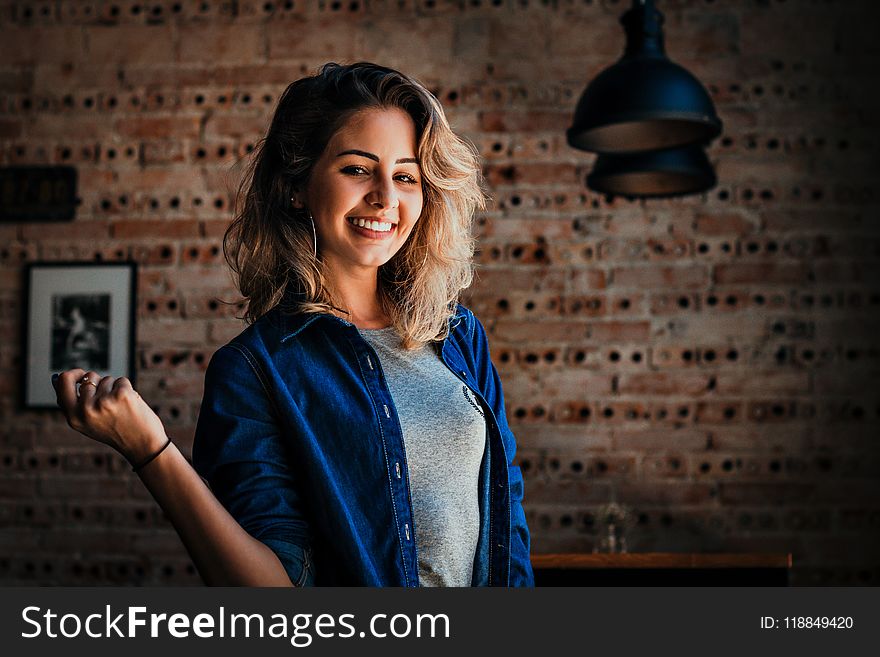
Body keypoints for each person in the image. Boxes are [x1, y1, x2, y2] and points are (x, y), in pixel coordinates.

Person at [51, 62, 534, 587]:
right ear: (296, 186)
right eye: (356, 169)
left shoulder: (459, 336)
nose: (385, 197)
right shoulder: (255, 371)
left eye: (405, 176)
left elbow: (509, 524)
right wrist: (151, 452)